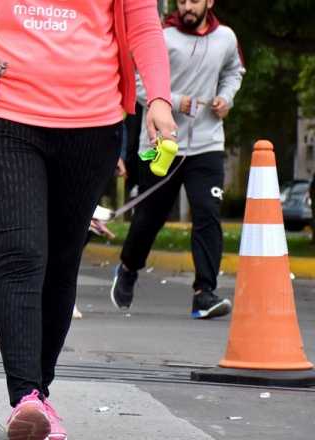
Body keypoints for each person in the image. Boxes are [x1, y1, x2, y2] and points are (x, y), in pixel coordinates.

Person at [0, 0, 176, 438]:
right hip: (0, 115)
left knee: (62, 261)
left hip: (92, 126)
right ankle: (24, 395)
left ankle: (39, 396)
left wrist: (159, 98)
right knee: (22, 252)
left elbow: (143, 25)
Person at [112, 0, 245, 320]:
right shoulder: (160, 36)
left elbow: (234, 72)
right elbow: (137, 82)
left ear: (210, 2)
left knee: (207, 213)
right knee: (150, 216)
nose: (186, 7)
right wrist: (174, 101)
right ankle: (129, 268)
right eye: (181, 1)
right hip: (160, 142)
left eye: (193, 1)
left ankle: (204, 294)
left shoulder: (226, 38)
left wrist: (225, 98)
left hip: (207, 143)